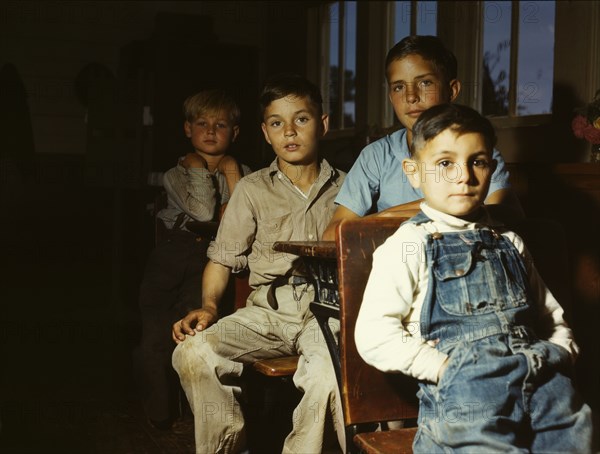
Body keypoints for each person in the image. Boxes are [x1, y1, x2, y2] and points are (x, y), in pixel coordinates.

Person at [355, 103, 593, 453]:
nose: (463, 176)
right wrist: (443, 367)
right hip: (469, 397)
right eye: (445, 163)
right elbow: (375, 333)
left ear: (491, 168)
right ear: (413, 172)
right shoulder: (410, 245)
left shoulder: (509, 241)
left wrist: (560, 349)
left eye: (477, 161)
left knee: (577, 438)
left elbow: (549, 313)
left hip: (544, 382)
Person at [171, 74, 346, 454]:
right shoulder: (251, 189)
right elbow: (221, 260)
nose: (289, 132)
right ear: (265, 133)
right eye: (276, 123)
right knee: (192, 351)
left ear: (324, 124)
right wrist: (209, 307)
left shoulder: (350, 189)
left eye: (301, 119)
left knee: (327, 378)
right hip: (268, 312)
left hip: (327, 312)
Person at [323, 35, 523, 240]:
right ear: (391, 97)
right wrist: (388, 215)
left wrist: (393, 215)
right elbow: (332, 234)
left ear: (452, 90)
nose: (411, 97)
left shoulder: (476, 155)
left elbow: (506, 215)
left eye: (425, 83)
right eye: (399, 87)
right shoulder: (376, 155)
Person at [139, 89, 248, 430]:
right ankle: (159, 411)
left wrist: (231, 172)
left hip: (212, 260)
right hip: (172, 255)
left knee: (196, 331)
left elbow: (240, 218)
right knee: (155, 335)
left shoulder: (243, 171)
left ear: (235, 132)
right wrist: (200, 168)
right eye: (202, 123)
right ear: (188, 129)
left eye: (221, 124)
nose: (211, 131)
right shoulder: (178, 172)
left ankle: (201, 412)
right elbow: (202, 210)